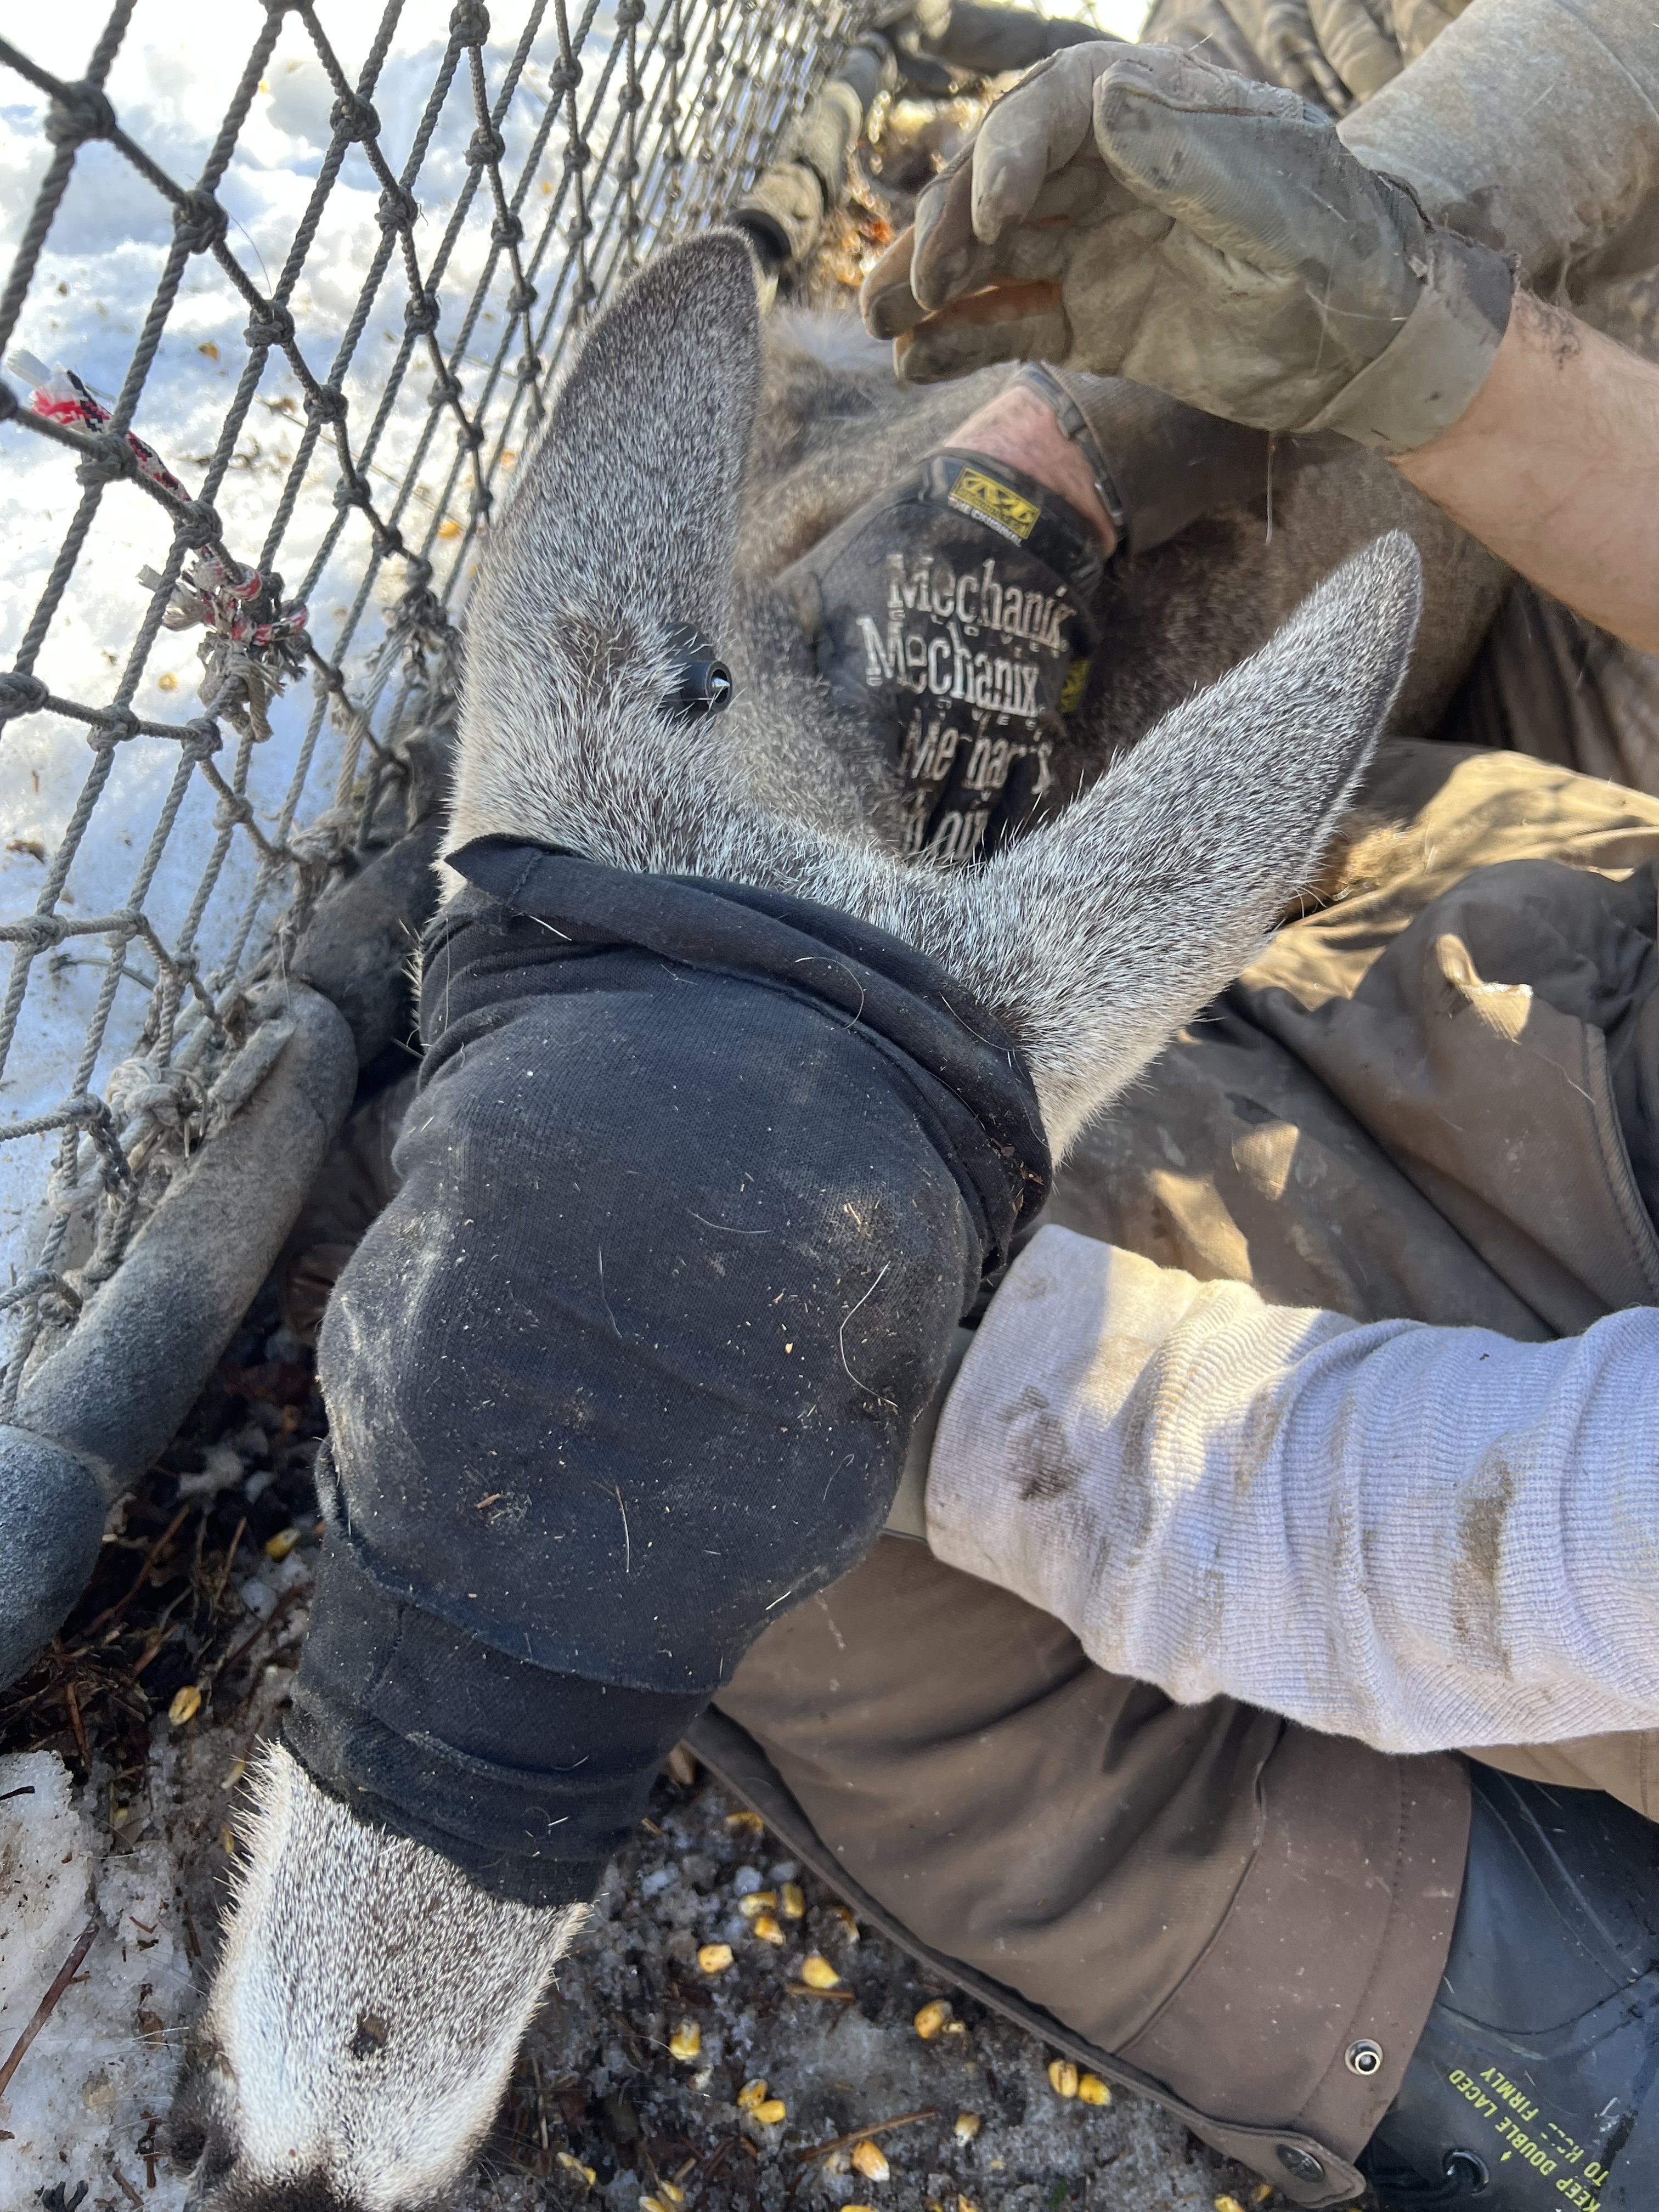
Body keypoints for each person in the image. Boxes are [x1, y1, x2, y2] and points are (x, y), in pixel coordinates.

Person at [690, 6, 1659, 2208]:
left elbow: (1447, 1524)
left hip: (1589, 1531)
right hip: (1588, 976)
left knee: (702, 1457)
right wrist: (1433, 353)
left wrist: (893, 1353)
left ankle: (1474, 1987)